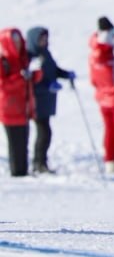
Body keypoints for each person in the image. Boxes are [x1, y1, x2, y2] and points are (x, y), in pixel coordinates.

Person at [26, 26, 74, 175]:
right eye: (41, 39)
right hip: (37, 102)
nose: (44, 41)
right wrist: (47, 86)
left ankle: (41, 162)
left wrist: (66, 74)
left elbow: (53, 70)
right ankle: (39, 163)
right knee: (44, 132)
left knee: (45, 132)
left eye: (46, 38)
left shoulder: (45, 54)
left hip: (47, 101)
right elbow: (32, 81)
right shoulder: (31, 57)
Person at [89, 17, 114, 173]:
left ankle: (110, 161)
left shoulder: (95, 53)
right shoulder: (103, 54)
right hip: (113, 98)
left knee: (110, 130)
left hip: (103, 98)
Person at [1, 28, 39, 177]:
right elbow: (3, 84)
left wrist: (35, 74)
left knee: (24, 142)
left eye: (18, 41)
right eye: (13, 41)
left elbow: (29, 82)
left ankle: (23, 171)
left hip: (23, 108)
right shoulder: (3, 61)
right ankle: (17, 173)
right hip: (9, 108)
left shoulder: (23, 60)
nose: (17, 44)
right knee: (15, 144)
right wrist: (20, 77)